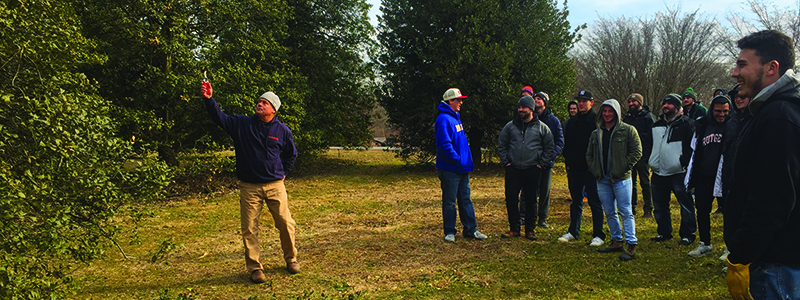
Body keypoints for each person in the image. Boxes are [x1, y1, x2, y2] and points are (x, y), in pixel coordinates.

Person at [725, 30, 800, 300]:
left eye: (742, 65)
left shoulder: (778, 117)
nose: (735, 73)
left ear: (772, 68)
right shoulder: (772, 112)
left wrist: (741, 257)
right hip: (776, 261)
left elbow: (772, 201)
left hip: (777, 265)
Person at [201, 81, 300, 283]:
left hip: (275, 186)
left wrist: (284, 173)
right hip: (249, 187)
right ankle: (255, 268)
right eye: (259, 101)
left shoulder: (282, 130)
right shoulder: (241, 124)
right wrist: (209, 100)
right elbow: (219, 118)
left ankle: (291, 260)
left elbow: (291, 154)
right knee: (249, 228)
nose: (260, 104)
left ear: (273, 109)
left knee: (286, 223)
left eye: (265, 103)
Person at [587, 99, 642, 261]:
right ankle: (616, 240)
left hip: (621, 179)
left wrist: (623, 168)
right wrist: (594, 168)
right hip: (602, 178)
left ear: (617, 112)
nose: (607, 114)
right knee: (609, 211)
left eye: (610, 111)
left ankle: (631, 243)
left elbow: (636, 152)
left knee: (625, 211)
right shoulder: (596, 133)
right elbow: (589, 154)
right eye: (604, 111)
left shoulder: (628, 130)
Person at [497, 95, 554, 240]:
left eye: (524, 107)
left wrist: (541, 164)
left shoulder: (542, 128)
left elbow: (549, 147)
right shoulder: (510, 126)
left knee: (531, 200)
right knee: (511, 199)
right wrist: (506, 162)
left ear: (531, 109)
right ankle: (514, 228)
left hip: (532, 169)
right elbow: (502, 145)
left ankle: (530, 229)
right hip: (513, 169)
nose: (520, 110)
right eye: (519, 107)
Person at [435, 88, 488, 243]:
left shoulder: (456, 117)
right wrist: (457, 159)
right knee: (450, 201)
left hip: (462, 168)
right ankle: (450, 231)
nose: (461, 103)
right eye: (458, 100)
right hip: (450, 169)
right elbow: (444, 144)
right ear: (450, 101)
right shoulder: (443, 119)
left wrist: (465, 161)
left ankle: (471, 229)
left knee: (465, 199)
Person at [558, 90, 606, 247]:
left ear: (591, 103)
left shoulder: (597, 122)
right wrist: (568, 161)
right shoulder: (571, 122)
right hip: (574, 168)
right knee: (576, 201)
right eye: (579, 100)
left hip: (591, 170)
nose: (581, 103)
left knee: (595, 201)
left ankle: (598, 234)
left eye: (585, 101)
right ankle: (573, 231)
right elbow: (566, 144)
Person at [649, 93, 697, 246]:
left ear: (677, 107)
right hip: (658, 172)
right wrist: (650, 160)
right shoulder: (656, 125)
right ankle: (663, 232)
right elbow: (651, 145)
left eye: (670, 104)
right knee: (659, 205)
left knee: (686, 204)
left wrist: (683, 163)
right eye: (665, 103)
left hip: (679, 172)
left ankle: (687, 234)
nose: (666, 106)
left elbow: (692, 148)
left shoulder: (688, 124)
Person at [686, 95, 731, 257]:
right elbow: (695, 150)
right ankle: (705, 243)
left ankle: (729, 247)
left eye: (725, 111)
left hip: (725, 177)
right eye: (718, 111)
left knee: (729, 213)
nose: (721, 114)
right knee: (702, 210)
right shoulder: (703, 125)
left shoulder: (733, 125)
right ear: (712, 110)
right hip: (704, 176)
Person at [528, 91, 563, 228]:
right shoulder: (530, 118)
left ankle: (542, 218)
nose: (536, 100)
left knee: (545, 191)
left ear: (544, 102)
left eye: (539, 99)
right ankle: (526, 215)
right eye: (534, 98)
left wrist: (550, 156)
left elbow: (559, 141)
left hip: (547, 162)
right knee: (530, 189)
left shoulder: (553, 121)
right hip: (531, 161)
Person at [622, 93, 657, 217]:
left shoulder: (648, 118)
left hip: (643, 155)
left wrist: (648, 155)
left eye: (634, 101)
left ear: (640, 103)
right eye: (630, 101)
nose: (631, 104)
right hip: (629, 155)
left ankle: (648, 208)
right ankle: (632, 207)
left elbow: (653, 138)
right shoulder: (627, 117)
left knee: (645, 182)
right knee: (630, 183)